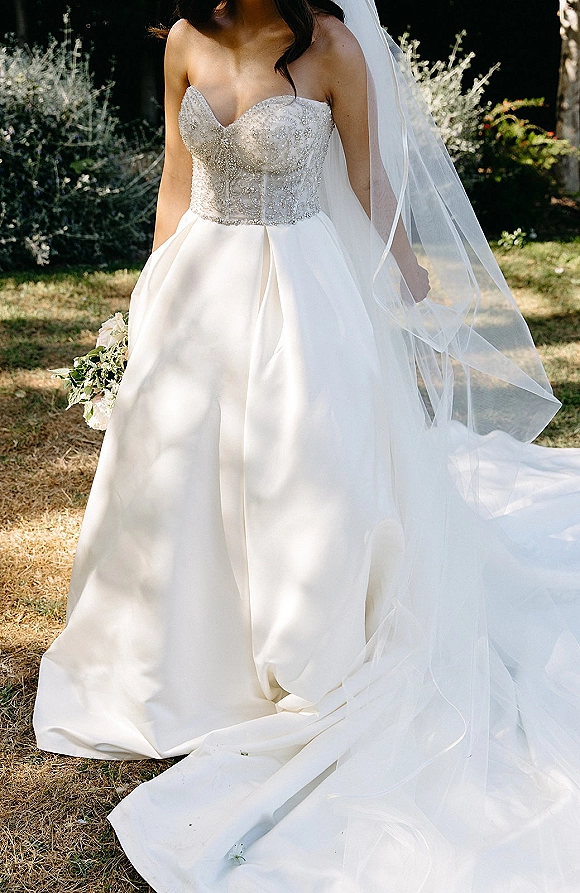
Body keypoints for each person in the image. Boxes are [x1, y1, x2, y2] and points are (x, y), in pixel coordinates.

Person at [33, 1, 580, 890]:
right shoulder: (188, 40)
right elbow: (176, 178)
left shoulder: (333, 48)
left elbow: (367, 179)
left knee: (302, 468)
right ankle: (175, 657)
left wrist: (411, 276)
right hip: (197, 290)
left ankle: (299, 647)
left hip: (301, 293)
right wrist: (146, 302)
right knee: (180, 475)